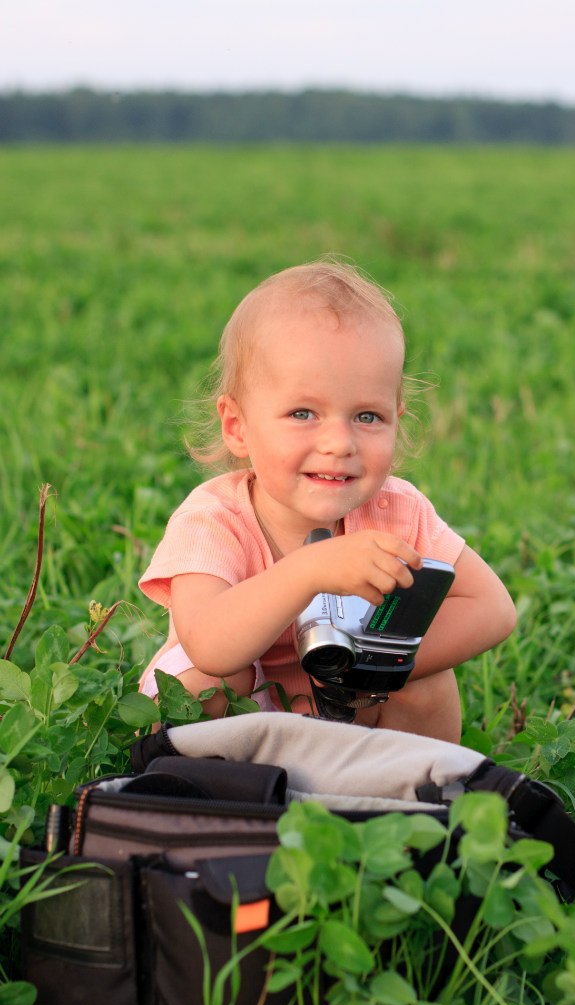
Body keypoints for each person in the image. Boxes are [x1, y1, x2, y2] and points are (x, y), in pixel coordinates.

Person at [138, 259, 516, 742]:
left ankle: (414, 799)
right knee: (211, 680)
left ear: (398, 420)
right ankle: (202, 795)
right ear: (237, 426)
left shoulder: (395, 512)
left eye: (367, 416)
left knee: (424, 681)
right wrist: (309, 571)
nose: (339, 442)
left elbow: (492, 608)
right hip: (235, 721)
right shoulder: (213, 520)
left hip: (342, 717)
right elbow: (210, 644)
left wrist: (368, 661)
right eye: (303, 413)